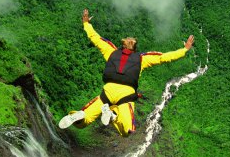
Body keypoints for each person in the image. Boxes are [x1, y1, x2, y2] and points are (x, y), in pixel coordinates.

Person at [58, 9, 194, 137]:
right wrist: (185, 49)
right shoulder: (142, 59)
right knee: (127, 130)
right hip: (126, 95)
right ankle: (113, 116)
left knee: (84, 121)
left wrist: (86, 23)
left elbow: (95, 38)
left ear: (122, 46)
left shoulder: (110, 50)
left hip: (108, 92)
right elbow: (164, 57)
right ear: (135, 48)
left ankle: (79, 115)